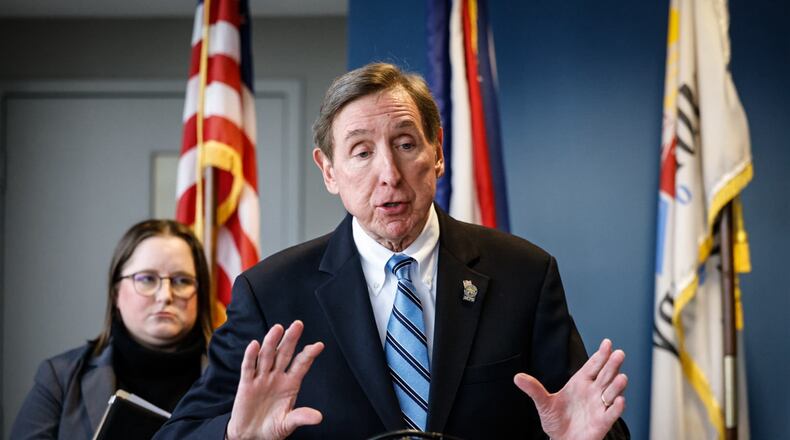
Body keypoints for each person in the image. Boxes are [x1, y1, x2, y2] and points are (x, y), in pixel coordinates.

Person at [156, 63, 630, 439]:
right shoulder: (271, 293)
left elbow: (588, 419)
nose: (389, 174)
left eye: (405, 143)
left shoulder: (524, 275)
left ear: (437, 152)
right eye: (361, 152)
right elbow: (179, 433)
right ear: (329, 171)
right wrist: (235, 436)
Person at [11, 219, 213, 439]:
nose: (165, 295)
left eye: (182, 281)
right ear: (116, 292)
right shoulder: (60, 378)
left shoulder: (236, 378)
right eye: (146, 279)